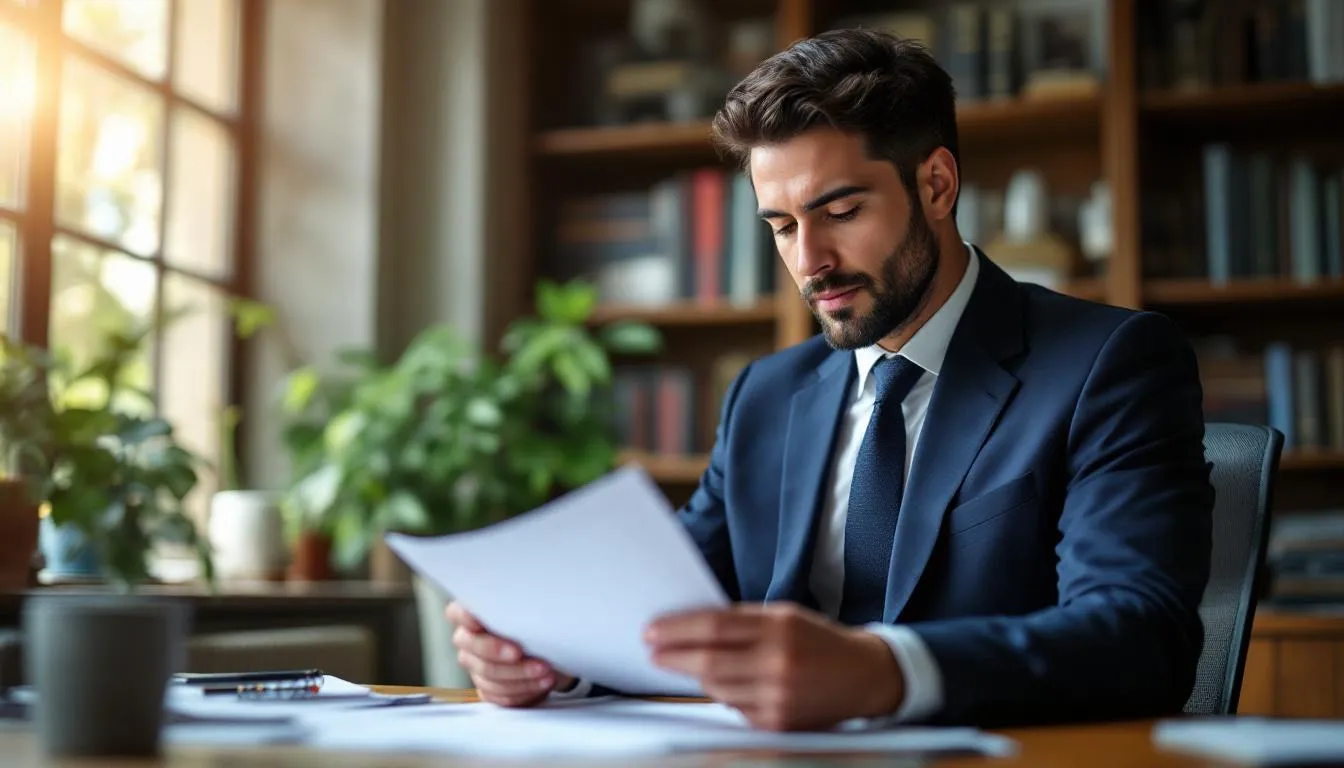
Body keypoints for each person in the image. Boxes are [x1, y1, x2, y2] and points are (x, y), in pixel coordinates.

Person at [448, 28, 1214, 731]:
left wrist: (885, 672)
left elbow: (1139, 634)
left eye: (839, 210)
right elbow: (661, 614)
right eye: (781, 226)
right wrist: (552, 661)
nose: (808, 261)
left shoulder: (1108, 363)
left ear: (938, 186)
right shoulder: (764, 398)